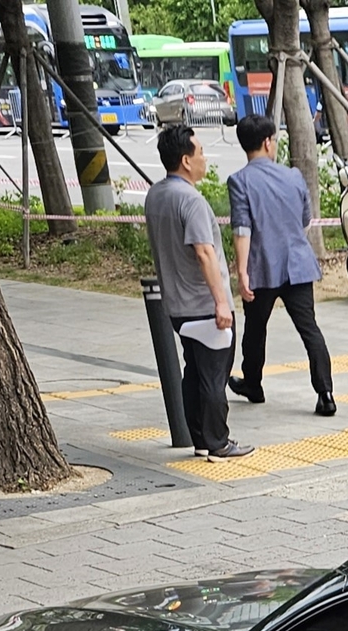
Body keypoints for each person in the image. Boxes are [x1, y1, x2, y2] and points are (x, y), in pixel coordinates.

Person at [144, 125, 249, 462]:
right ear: (187, 161)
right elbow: (204, 253)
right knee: (214, 377)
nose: (205, 158)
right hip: (204, 304)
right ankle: (218, 442)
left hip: (176, 306)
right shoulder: (191, 200)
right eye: (201, 152)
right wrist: (222, 302)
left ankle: (200, 438)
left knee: (194, 371)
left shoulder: (156, 195)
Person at [225, 114, 336, 418]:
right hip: (298, 265)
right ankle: (325, 393)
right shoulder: (294, 177)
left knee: (256, 327)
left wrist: (242, 272)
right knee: (309, 327)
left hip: (263, 267)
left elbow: (242, 229)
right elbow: (305, 220)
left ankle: (253, 383)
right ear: (268, 142)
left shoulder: (239, 181)